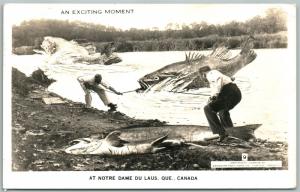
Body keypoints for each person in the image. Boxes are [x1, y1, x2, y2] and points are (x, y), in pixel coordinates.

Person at [199, 66, 242, 142]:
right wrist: (212, 97)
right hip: (235, 94)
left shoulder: (211, 73)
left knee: (207, 109)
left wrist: (214, 95)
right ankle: (231, 133)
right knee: (222, 111)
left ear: (203, 74)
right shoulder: (215, 75)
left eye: (201, 77)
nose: (202, 79)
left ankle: (222, 133)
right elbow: (220, 84)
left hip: (229, 92)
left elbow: (218, 81)